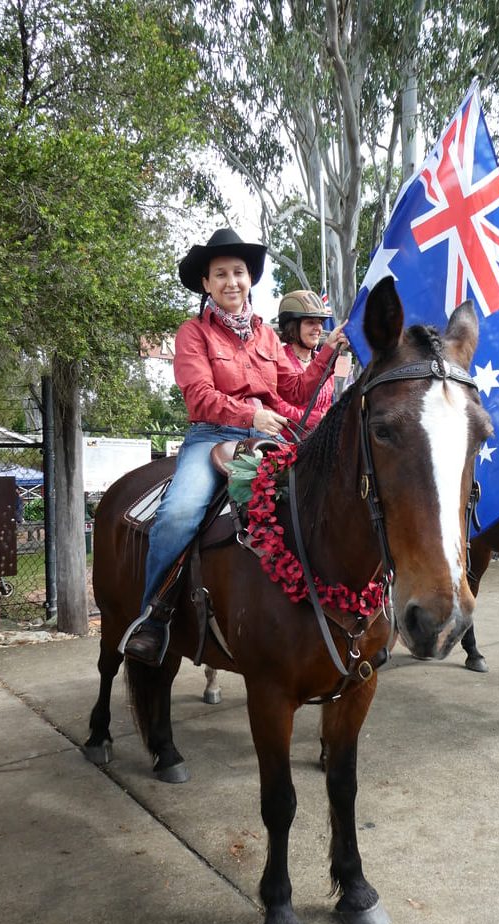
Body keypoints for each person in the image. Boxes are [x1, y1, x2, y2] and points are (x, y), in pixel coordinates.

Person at [123, 228, 347, 666]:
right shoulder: (192, 333)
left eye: (239, 273)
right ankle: (154, 615)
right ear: (206, 283)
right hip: (212, 438)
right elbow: (198, 396)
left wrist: (327, 351)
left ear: (250, 279)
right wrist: (250, 416)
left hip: (270, 437)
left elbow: (298, 390)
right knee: (178, 514)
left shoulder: (266, 337)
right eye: (220, 274)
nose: (231, 282)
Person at [275, 289, 337, 434]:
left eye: (320, 322)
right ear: (292, 327)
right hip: (285, 442)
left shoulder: (324, 359)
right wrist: (315, 418)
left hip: (321, 438)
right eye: (310, 322)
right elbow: (277, 406)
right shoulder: (278, 359)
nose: (318, 328)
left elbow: (328, 405)